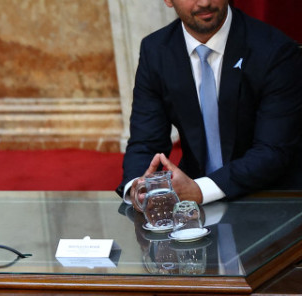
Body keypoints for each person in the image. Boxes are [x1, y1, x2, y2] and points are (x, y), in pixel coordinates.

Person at [120, 0, 302, 207]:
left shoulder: (274, 50)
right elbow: (146, 142)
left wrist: (200, 189)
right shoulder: (156, 50)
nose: (205, 2)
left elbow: (272, 150)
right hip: (192, 203)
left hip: (268, 197)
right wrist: (138, 187)